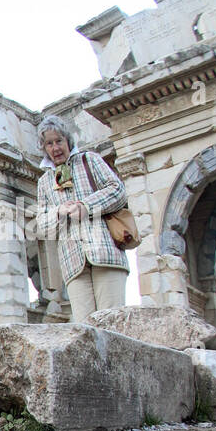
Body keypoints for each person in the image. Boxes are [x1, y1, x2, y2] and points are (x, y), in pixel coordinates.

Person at [34, 114, 129, 322]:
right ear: (44, 148)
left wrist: (86, 206)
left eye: (59, 141)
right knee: (85, 331)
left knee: (112, 323)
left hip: (105, 252)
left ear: (68, 140)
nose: (55, 148)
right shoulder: (44, 182)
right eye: (49, 143)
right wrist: (59, 212)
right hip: (74, 263)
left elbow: (118, 191)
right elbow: (41, 225)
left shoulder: (90, 160)